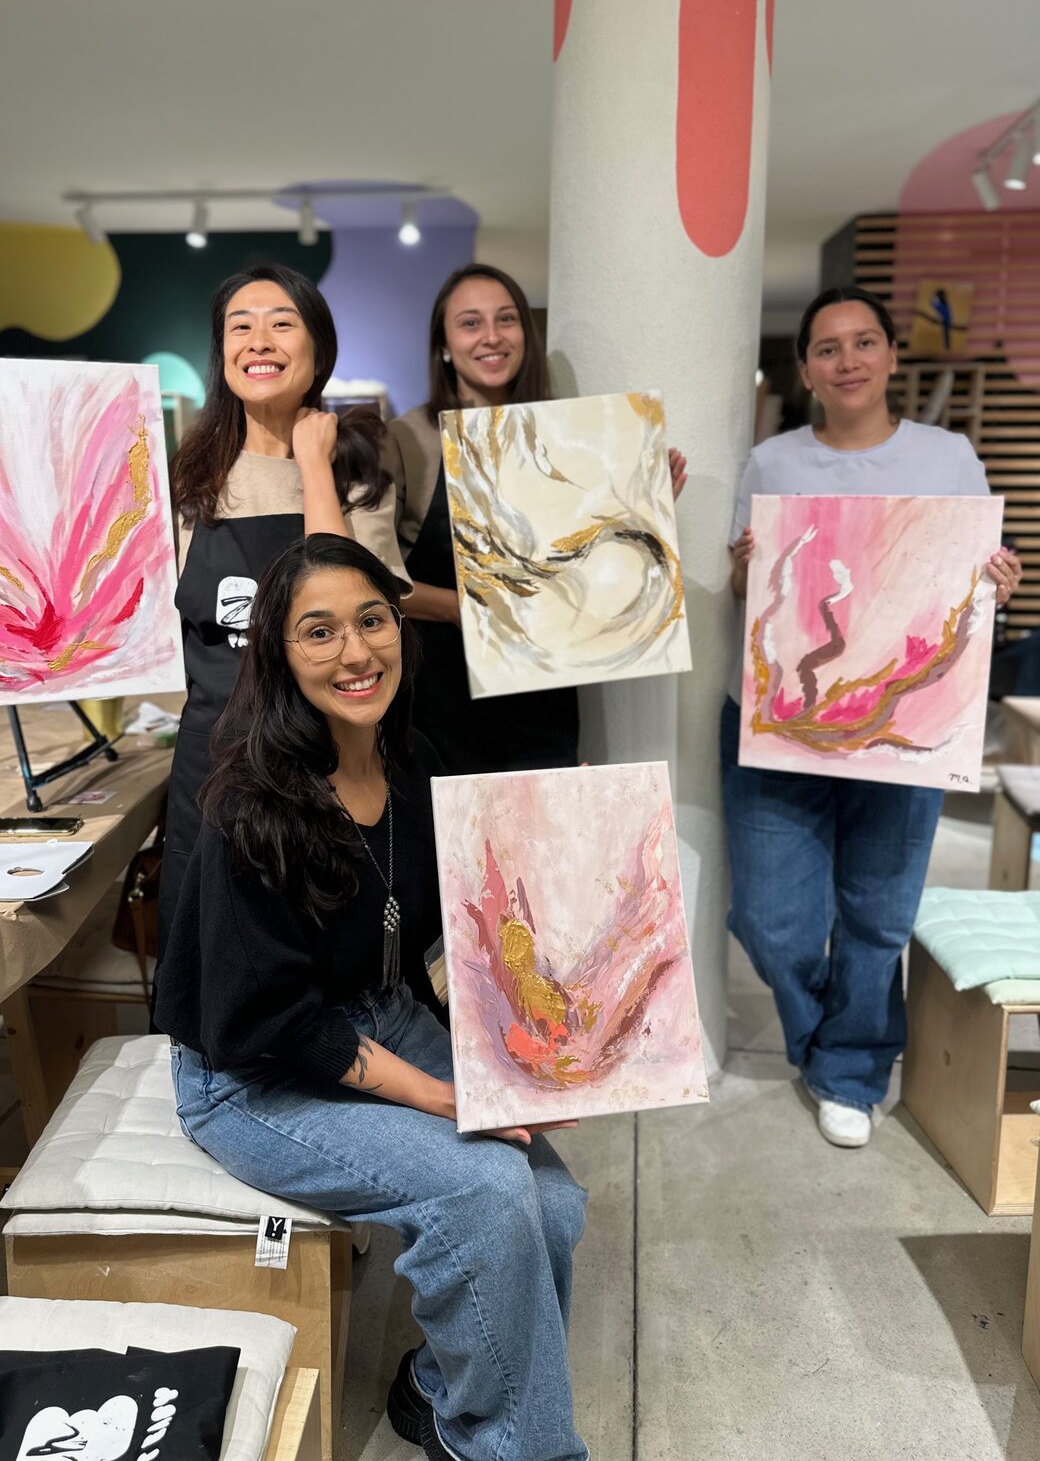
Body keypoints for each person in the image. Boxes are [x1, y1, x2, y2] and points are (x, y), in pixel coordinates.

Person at [155, 533, 588, 1461]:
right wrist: (441, 1094)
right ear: (279, 653)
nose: (355, 652)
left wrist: (531, 1044)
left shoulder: (410, 764)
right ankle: (512, 1448)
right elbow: (273, 1021)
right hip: (253, 1071)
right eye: (320, 632)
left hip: (380, 1014)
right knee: (485, 1190)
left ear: (401, 627)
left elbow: (437, 934)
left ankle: (438, 1391)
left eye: (372, 620)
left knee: (553, 1204)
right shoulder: (253, 808)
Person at [0, 264, 407, 975]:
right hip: (217, 761)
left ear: (319, 347)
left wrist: (313, 466)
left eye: (282, 322)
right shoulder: (183, 480)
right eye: (239, 326)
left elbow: (345, 609)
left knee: (331, 968)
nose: (259, 340)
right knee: (209, 965)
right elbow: (63, 577)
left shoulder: (358, 470)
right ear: (222, 352)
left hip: (332, 762)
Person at [722, 286, 1023, 1150]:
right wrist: (745, 570)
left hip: (904, 727)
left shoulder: (948, 457)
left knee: (878, 912)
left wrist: (996, 584)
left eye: (863, 342)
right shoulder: (772, 461)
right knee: (772, 919)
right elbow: (748, 590)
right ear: (805, 370)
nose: (847, 360)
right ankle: (832, 1037)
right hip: (783, 722)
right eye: (827, 348)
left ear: (891, 355)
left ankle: (849, 1069)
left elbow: (970, 581)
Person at [385, 261, 687, 774]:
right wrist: (467, 608)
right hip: (438, 702)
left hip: (542, 697)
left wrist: (642, 514)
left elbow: (583, 574)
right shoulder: (407, 440)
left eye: (506, 319)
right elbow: (373, 580)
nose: (492, 336)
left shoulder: (568, 437)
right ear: (444, 345)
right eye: (470, 323)